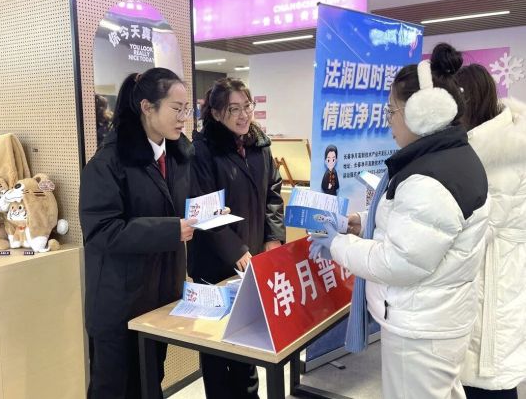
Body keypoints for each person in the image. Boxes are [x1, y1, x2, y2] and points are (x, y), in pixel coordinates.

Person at [309, 43, 490, 398]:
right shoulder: (448, 158)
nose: (388, 119)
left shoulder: (430, 179)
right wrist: (362, 222)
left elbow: (399, 261)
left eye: (391, 110)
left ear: (422, 112)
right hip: (435, 320)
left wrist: (339, 245)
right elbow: (413, 226)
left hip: (420, 330)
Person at [80, 67, 196, 399]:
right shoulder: (108, 162)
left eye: (187, 109)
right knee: (115, 389)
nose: (183, 118)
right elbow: (102, 231)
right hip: (119, 304)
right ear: (147, 107)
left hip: (158, 298)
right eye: (176, 109)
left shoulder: (176, 157)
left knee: (150, 383)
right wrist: (171, 230)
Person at [188, 77, 285, 399]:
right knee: (215, 346)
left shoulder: (259, 145)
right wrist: (237, 251)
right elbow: (203, 208)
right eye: (234, 109)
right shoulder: (202, 151)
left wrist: (273, 238)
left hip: (253, 256)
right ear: (216, 114)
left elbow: (273, 194)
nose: (244, 115)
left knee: (247, 337)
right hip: (214, 263)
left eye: (247, 106)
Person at [456, 64, 526, 399]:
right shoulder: (506, 141)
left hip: (494, 276)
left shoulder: (497, 154)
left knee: (489, 375)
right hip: (504, 275)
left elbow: (476, 225)